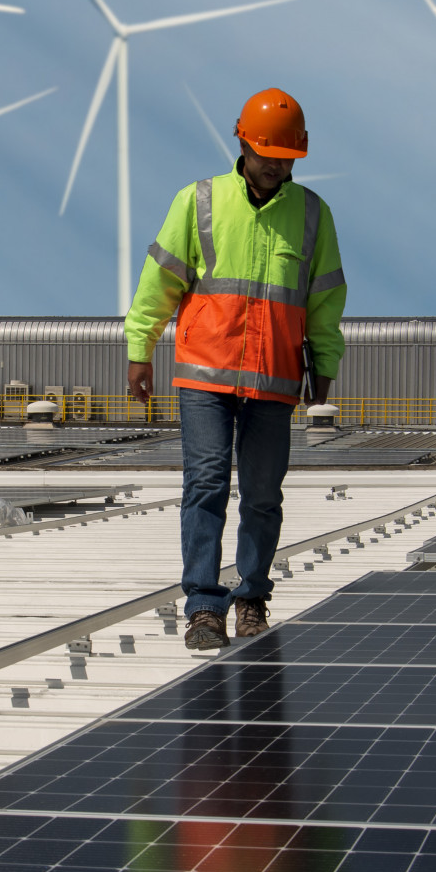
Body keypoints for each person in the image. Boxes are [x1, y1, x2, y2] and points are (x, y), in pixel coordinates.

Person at [124, 87, 345, 651]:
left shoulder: (313, 215)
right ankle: (202, 605)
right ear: (241, 140)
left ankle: (251, 598)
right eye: (266, 152)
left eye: (285, 157)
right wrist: (139, 348)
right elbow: (160, 281)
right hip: (205, 374)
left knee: (264, 494)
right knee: (205, 487)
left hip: (273, 379)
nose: (274, 165)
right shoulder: (198, 200)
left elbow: (324, 300)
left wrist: (326, 362)